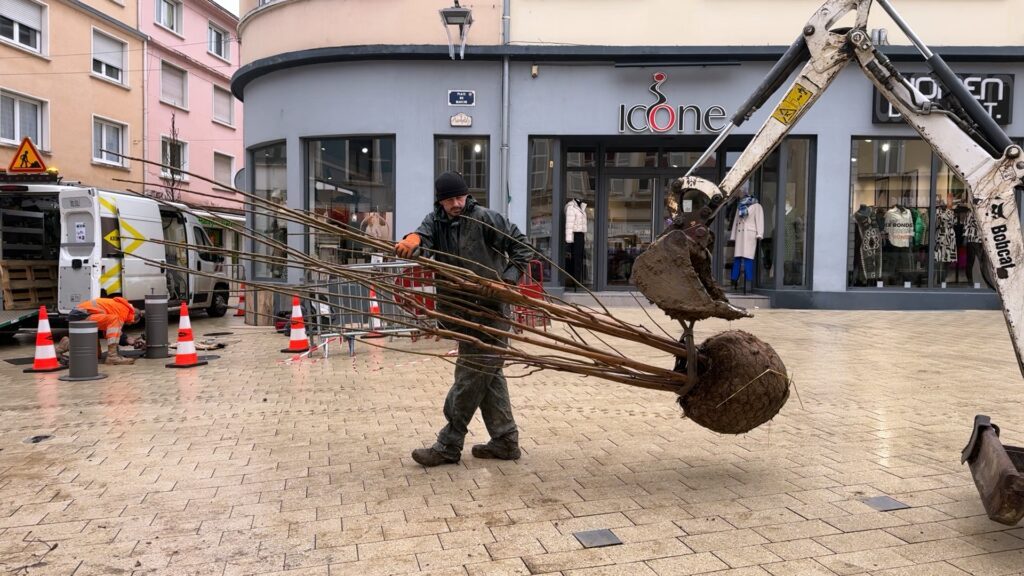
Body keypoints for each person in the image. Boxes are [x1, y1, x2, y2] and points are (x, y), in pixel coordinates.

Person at [395, 171, 534, 467]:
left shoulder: (485, 218)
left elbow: (522, 247)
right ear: (440, 201)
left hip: (491, 311)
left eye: (460, 197)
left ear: (467, 195)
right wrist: (411, 240)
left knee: (470, 375)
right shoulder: (435, 221)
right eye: (449, 200)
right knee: (487, 375)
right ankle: (505, 440)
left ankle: (449, 443)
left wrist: (506, 282)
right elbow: (422, 236)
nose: (456, 204)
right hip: (460, 311)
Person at [56, 297, 144, 365]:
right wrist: (125, 341)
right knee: (115, 320)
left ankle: (65, 344)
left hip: (80, 314)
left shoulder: (122, 307)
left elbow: (109, 331)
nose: (129, 324)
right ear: (134, 317)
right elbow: (114, 332)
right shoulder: (123, 311)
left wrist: (128, 340)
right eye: (132, 323)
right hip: (82, 315)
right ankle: (112, 356)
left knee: (95, 355)